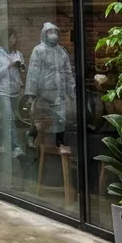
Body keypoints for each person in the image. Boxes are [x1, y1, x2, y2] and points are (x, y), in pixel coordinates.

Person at [24, 22, 75, 150]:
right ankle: (32, 135)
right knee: (40, 121)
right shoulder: (39, 51)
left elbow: (68, 73)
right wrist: (31, 94)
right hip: (43, 94)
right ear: (44, 34)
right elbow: (33, 73)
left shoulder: (62, 52)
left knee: (61, 120)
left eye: (55, 32)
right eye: (50, 32)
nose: (54, 35)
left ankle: (59, 144)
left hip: (59, 93)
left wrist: (71, 91)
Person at [0, 29, 25, 161]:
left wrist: (21, 68)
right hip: (1, 89)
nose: (14, 41)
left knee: (7, 120)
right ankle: (16, 148)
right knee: (8, 118)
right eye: (12, 38)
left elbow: (20, 71)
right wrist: (8, 66)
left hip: (14, 90)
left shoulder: (18, 54)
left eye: (15, 38)